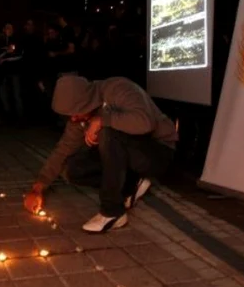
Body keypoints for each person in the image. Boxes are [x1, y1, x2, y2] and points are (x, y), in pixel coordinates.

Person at [23, 76, 178, 233]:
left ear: (86, 102)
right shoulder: (79, 116)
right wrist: (38, 187)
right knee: (72, 169)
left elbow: (145, 123)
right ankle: (131, 184)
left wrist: (102, 120)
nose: (73, 118)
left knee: (106, 131)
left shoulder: (118, 88)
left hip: (156, 152)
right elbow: (63, 149)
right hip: (125, 155)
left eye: (76, 113)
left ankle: (113, 212)